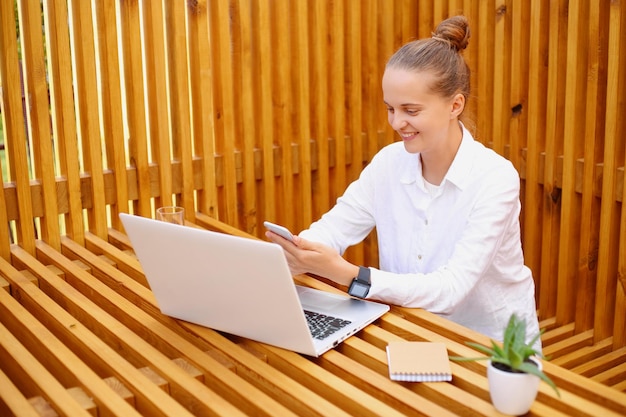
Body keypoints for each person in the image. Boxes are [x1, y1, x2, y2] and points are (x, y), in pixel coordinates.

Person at [266, 15, 541, 347]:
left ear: (455, 105)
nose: (397, 122)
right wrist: (300, 250)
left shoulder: (495, 179)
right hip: (410, 333)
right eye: (390, 108)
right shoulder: (389, 164)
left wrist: (351, 276)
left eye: (411, 110)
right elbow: (335, 229)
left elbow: (451, 289)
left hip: (490, 349)